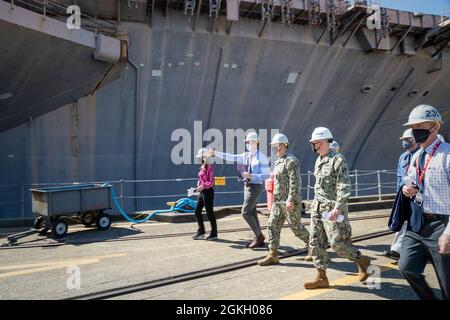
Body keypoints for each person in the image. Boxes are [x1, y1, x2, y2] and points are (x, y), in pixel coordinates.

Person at [304, 127, 371, 289]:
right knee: (315, 242)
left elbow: (344, 186)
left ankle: (361, 260)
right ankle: (321, 277)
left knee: (337, 243)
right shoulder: (319, 159)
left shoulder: (337, 160)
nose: (315, 146)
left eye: (318, 143)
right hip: (318, 208)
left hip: (331, 209)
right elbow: (318, 186)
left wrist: (338, 208)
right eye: (314, 143)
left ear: (328, 141)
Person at [400, 104, 450, 300]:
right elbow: (411, 181)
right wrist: (407, 190)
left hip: (442, 223)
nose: (416, 131)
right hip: (419, 222)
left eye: (421, 126)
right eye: (413, 127)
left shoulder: (447, 155)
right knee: (406, 267)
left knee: (446, 282)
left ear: (435, 127)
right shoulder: (417, 156)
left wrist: (448, 233)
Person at [208, 132, 270, 248]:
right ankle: (258, 236)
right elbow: (231, 157)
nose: (247, 144)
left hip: (255, 187)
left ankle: (259, 236)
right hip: (246, 187)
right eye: (246, 142)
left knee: (245, 212)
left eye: (249, 142)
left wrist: (253, 176)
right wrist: (215, 153)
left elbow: (266, 175)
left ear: (256, 143)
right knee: (251, 211)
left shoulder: (261, 157)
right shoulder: (245, 156)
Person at [257, 133, 310, 266]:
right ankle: (273, 254)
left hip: (289, 201)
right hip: (278, 201)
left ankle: (314, 248)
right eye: (274, 146)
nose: (275, 148)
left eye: (277, 145)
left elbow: (295, 182)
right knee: (272, 226)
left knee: (296, 227)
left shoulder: (291, 161)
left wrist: (290, 200)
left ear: (284, 145)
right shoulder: (278, 161)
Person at [384, 129, 420, 261]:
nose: (405, 142)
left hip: (418, 195)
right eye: (403, 140)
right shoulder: (402, 157)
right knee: (403, 221)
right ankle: (397, 250)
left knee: (416, 223)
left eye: (408, 140)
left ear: (415, 140)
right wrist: (399, 194)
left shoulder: (421, 155)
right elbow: (399, 176)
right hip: (403, 195)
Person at [192, 148, 217, 240]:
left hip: (208, 192)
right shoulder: (202, 167)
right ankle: (201, 232)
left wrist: (201, 186)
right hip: (202, 192)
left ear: (204, 158)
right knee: (197, 211)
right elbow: (201, 180)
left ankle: (214, 233)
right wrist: (197, 187)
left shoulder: (209, 167)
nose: (199, 159)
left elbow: (211, 182)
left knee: (210, 213)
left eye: (200, 157)